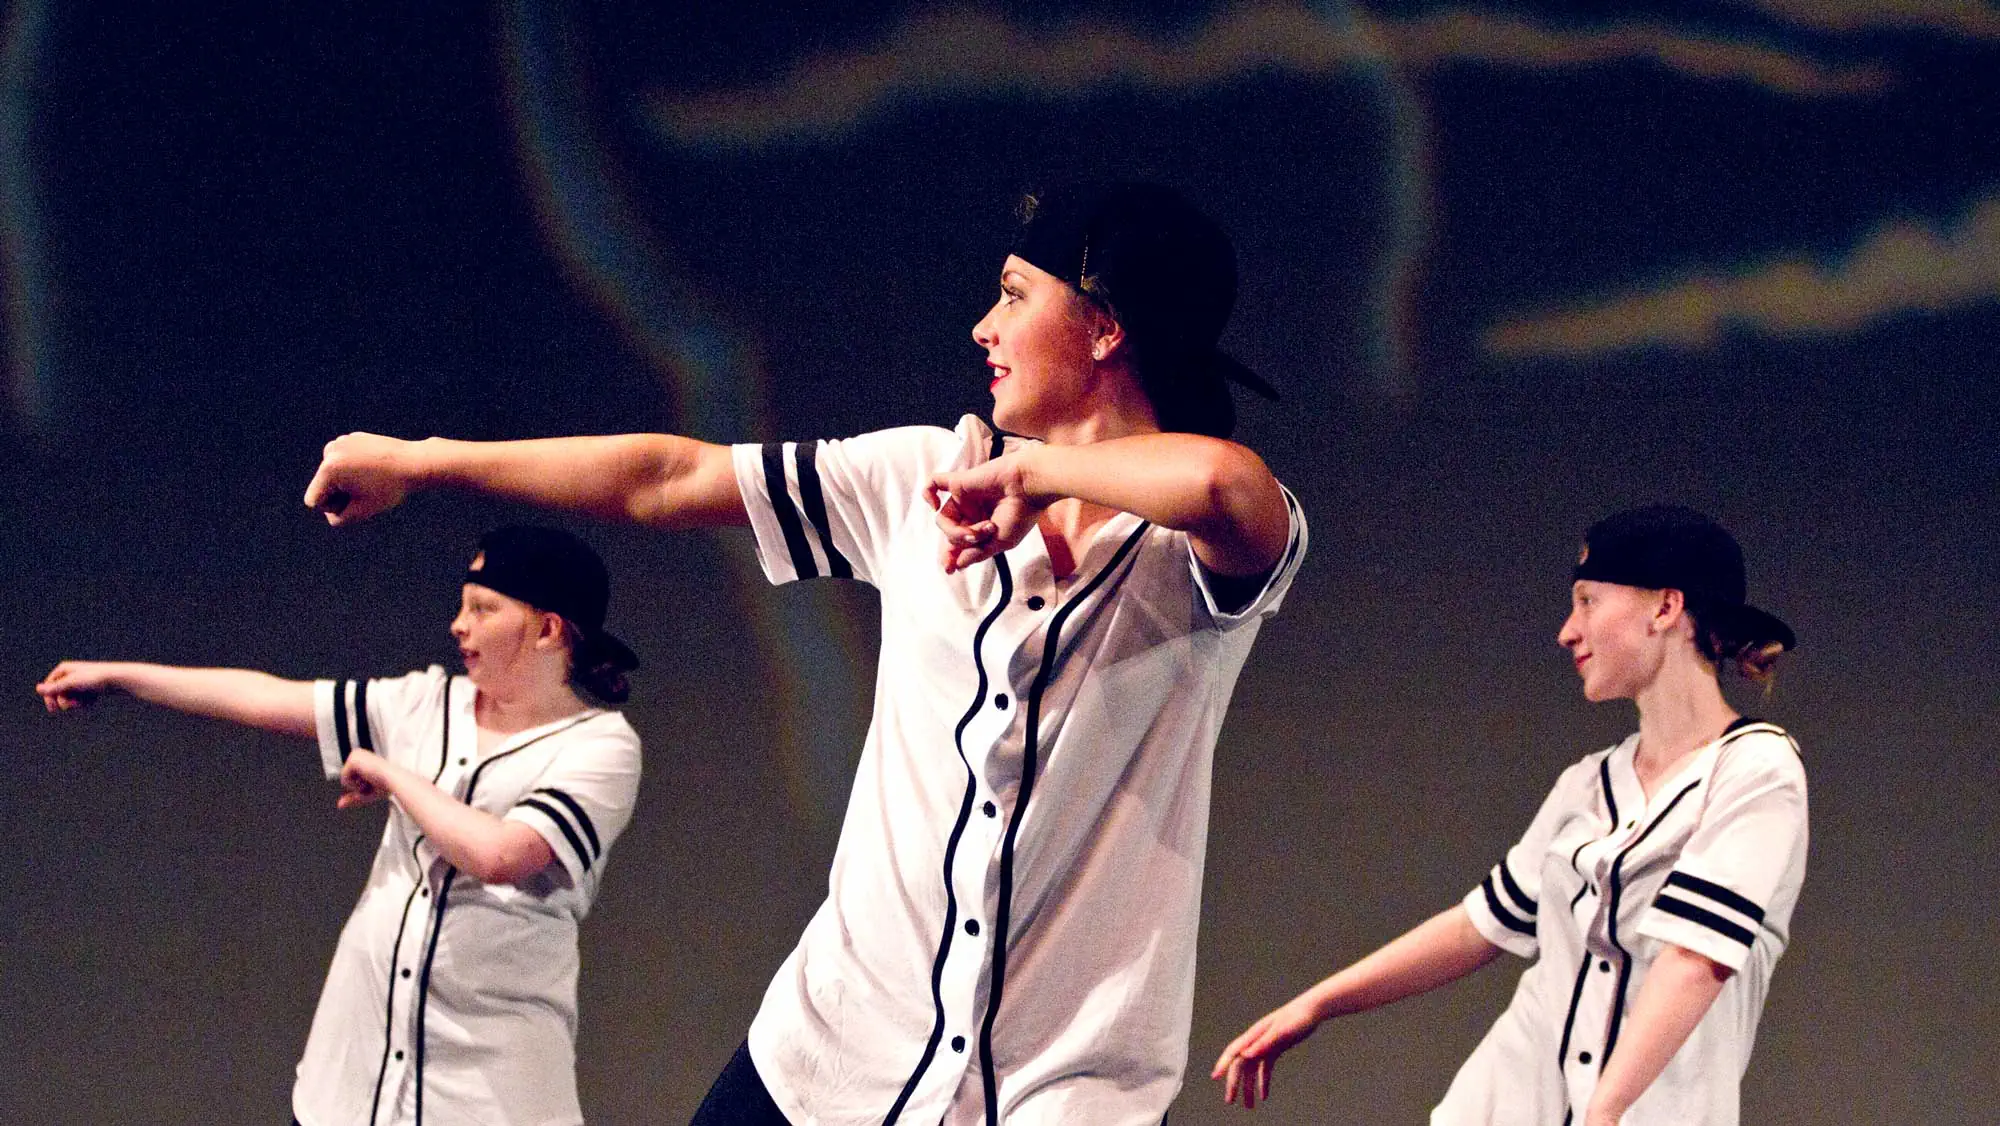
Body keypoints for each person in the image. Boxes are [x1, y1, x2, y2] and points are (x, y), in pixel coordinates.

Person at [300, 182, 1309, 1125]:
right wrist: (423, 461)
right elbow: (667, 476)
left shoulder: (1194, 554)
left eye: (1012, 296)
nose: (983, 328)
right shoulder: (919, 477)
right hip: (827, 1061)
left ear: (1103, 325)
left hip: (1065, 1092)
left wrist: (1039, 474)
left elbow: (1223, 483)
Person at [1212, 505, 1807, 1126]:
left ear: (1665, 608)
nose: (1568, 632)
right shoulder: (1588, 783)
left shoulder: (1757, 770)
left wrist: (1603, 1113)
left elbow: (1693, 962)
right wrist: (1316, 1005)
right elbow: (1481, 925)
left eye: (1588, 601)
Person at [36, 525, 644, 1126]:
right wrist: (120, 676)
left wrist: (391, 775)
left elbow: (500, 855)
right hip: (353, 1083)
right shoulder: (426, 704)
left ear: (547, 629)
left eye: (482, 609)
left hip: (488, 1091)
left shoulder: (600, 746)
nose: (459, 625)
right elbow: (269, 699)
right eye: (462, 606)